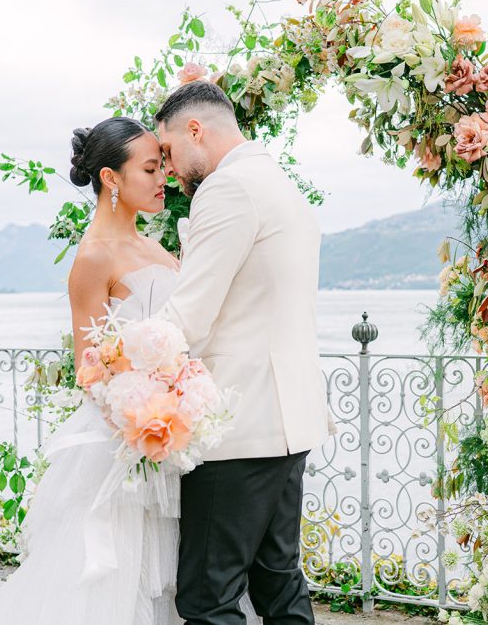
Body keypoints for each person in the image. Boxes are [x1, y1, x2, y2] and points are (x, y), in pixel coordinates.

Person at [0, 116, 260, 624]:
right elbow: (91, 366)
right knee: (118, 580)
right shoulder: (93, 259)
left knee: (180, 576)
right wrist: (145, 411)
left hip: (176, 436)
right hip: (125, 445)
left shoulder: (155, 246)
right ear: (111, 179)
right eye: (150, 169)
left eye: (163, 166)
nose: (162, 178)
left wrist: (183, 399)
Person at [155, 80, 331, 624]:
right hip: (288, 421)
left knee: (209, 597)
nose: (167, 168)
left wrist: (120, 357)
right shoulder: (279, 183)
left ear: (195, 130)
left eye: (166, 151)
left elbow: (190, 314)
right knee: (277, 583)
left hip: (237, 426)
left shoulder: (228, 189)